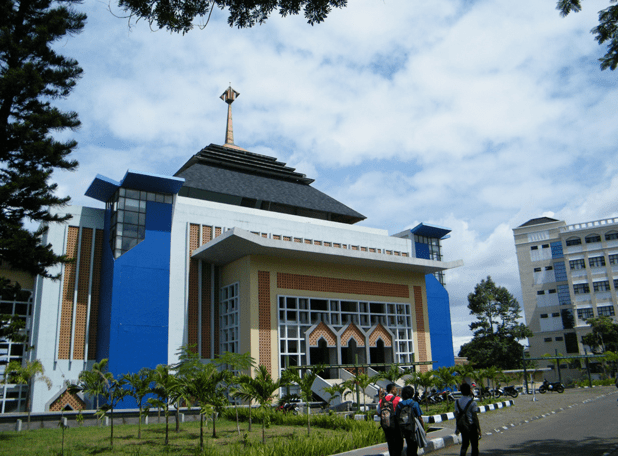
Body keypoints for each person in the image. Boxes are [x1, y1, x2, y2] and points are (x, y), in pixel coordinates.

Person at [454, 382, 481, 456]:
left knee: (464, 445)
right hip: (471, 426)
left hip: (463, 427)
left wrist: (457, 428)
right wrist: (478, 429)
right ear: (469, 390)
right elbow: (475, 417)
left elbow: (457, 416)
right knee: (474, 446)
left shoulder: (457, 402)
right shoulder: (473, 402)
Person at [397, 385, 423, 456]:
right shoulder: (414, 403)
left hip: (403, 427)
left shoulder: (399, 404)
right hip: (413, 427)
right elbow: (420, 417)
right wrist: (423, 428)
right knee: (414, 445)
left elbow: (397, 416)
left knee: (408, 443)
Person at [378, 383, 403, 456]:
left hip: (386, 425)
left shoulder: (381, 400)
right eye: (395, 389)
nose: (396, 391)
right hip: (396, 424)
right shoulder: (398, 399)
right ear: (392, 390)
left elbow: (378, 412)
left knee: (390, 443)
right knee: (399, 442)